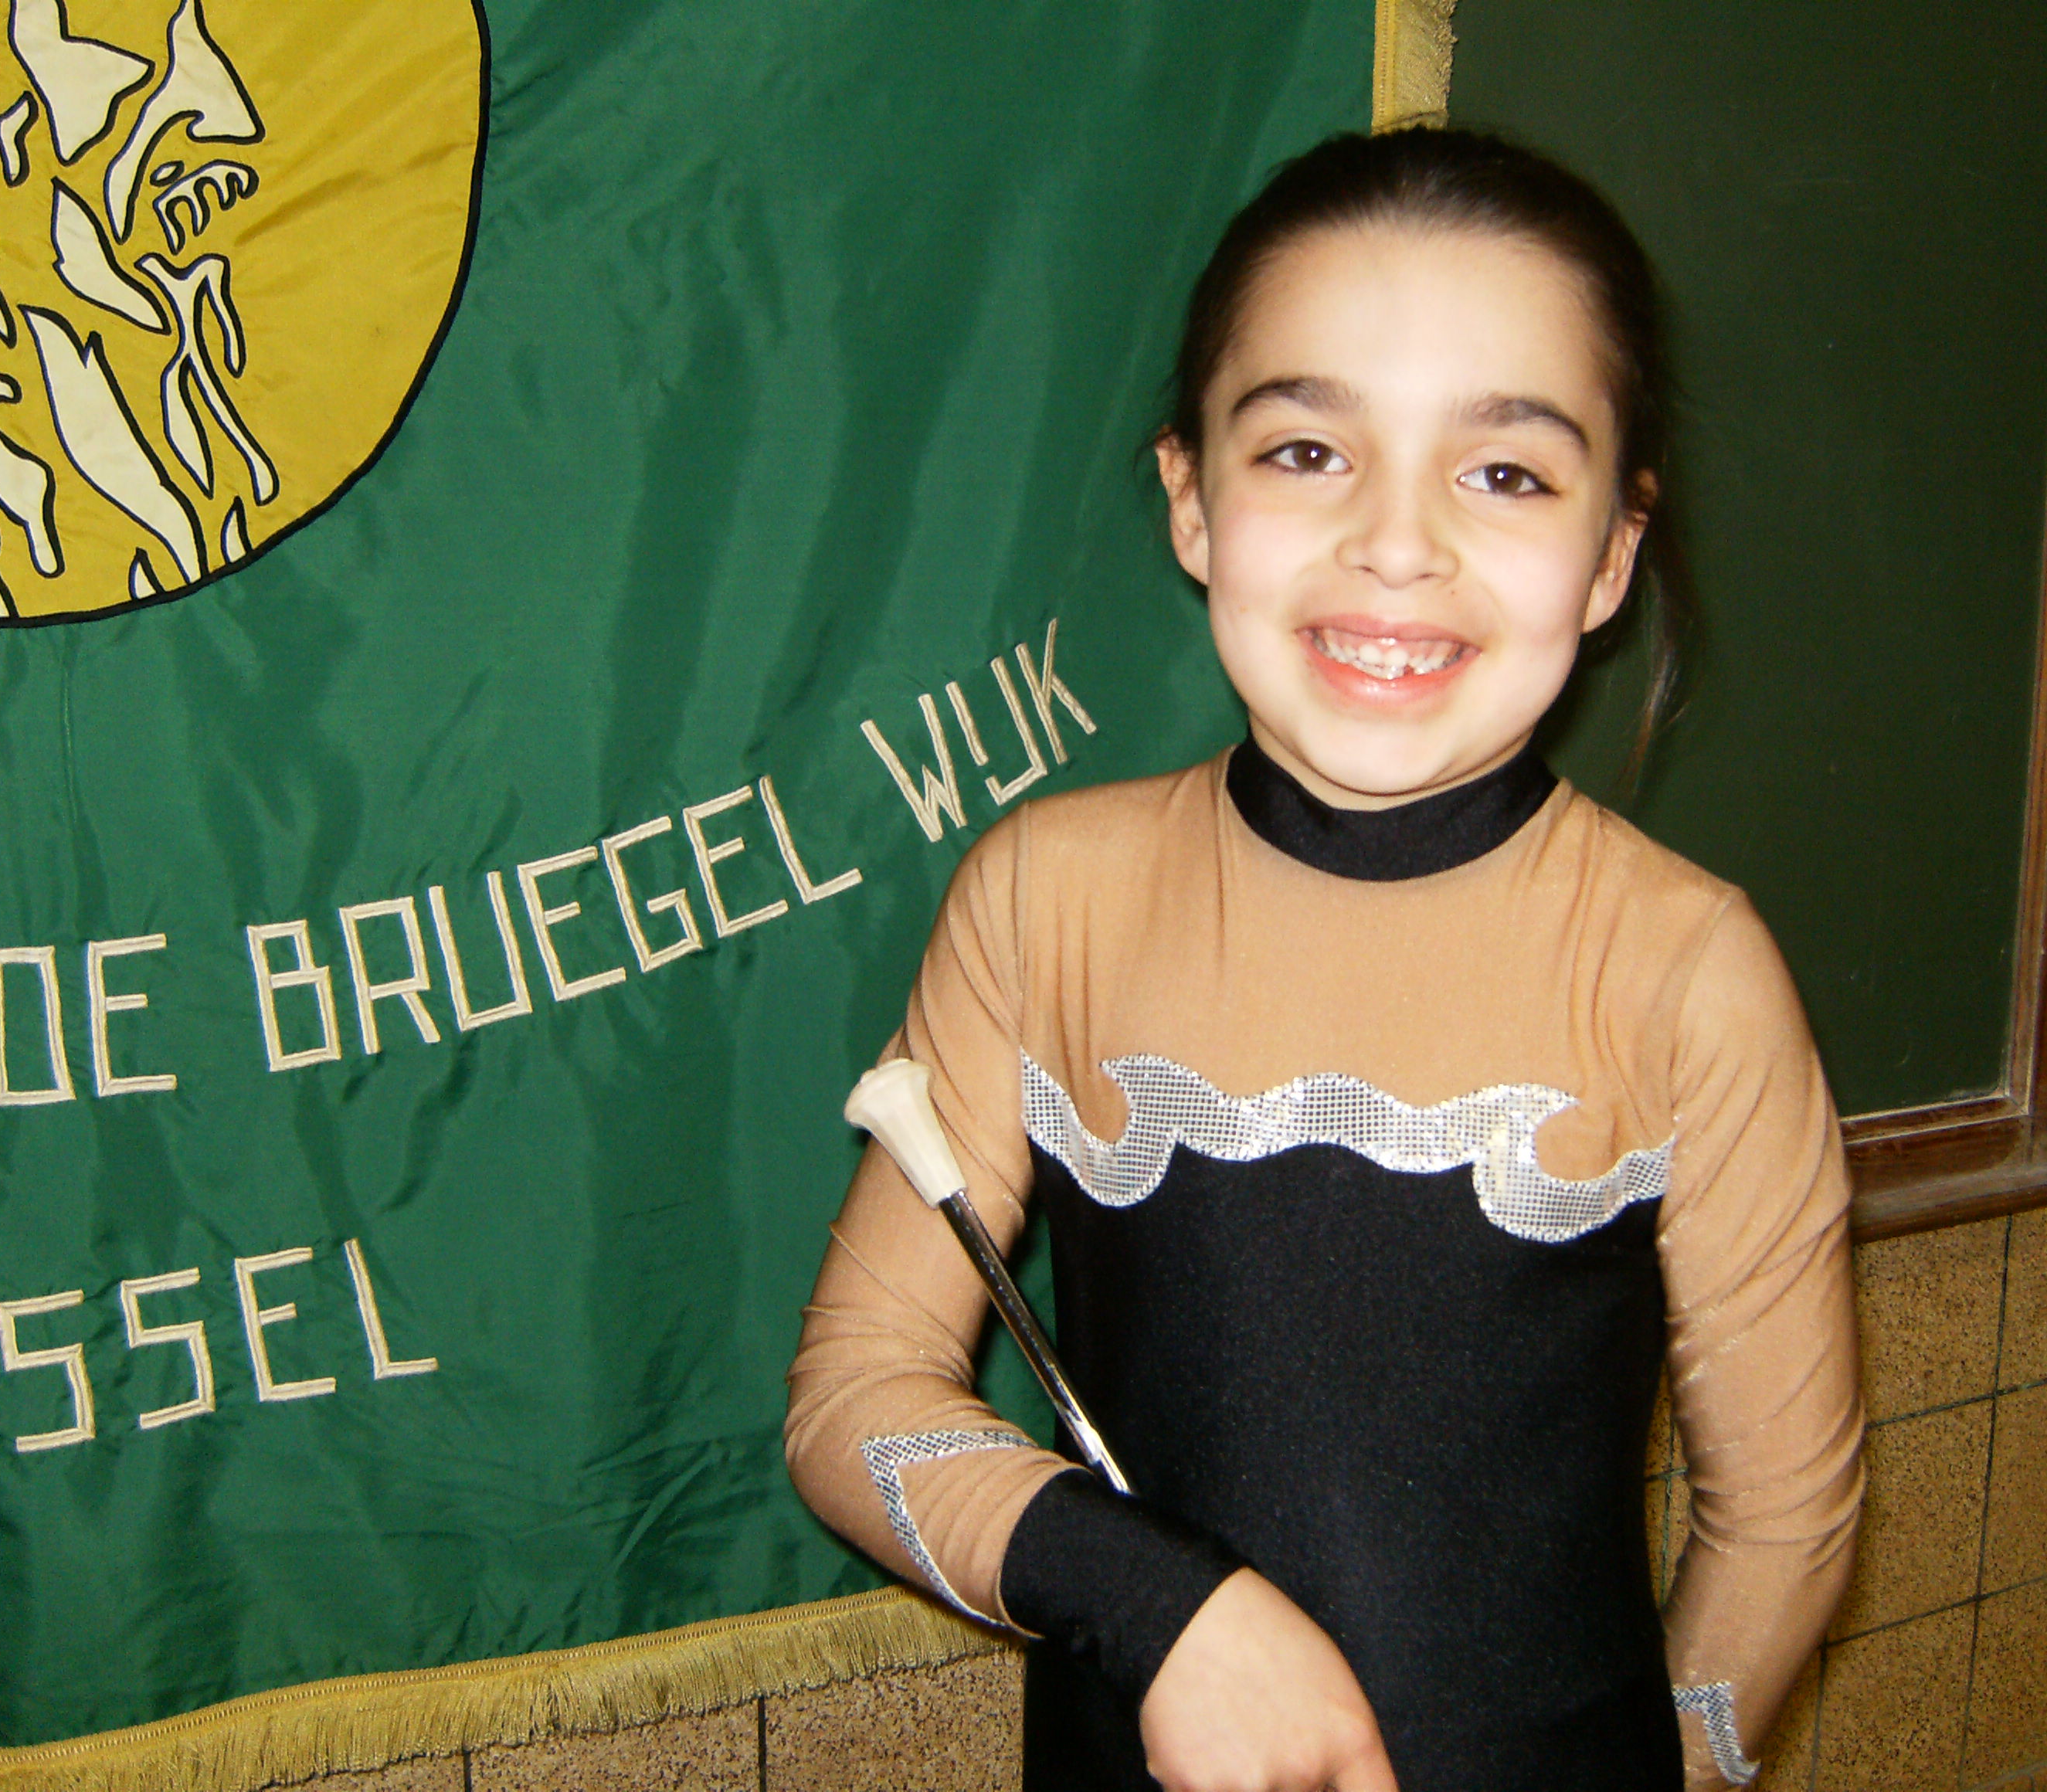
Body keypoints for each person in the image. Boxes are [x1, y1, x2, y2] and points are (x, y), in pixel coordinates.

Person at [785, 127, 1864, 1792]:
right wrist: (1163, 1609)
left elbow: (1784, 1516)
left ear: (1610, 558)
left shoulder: (1685, 964)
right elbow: (855, 1396)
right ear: (1191, 500)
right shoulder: (1045, 895)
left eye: (1504, 473)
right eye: (1306, 451)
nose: (1396, 543)